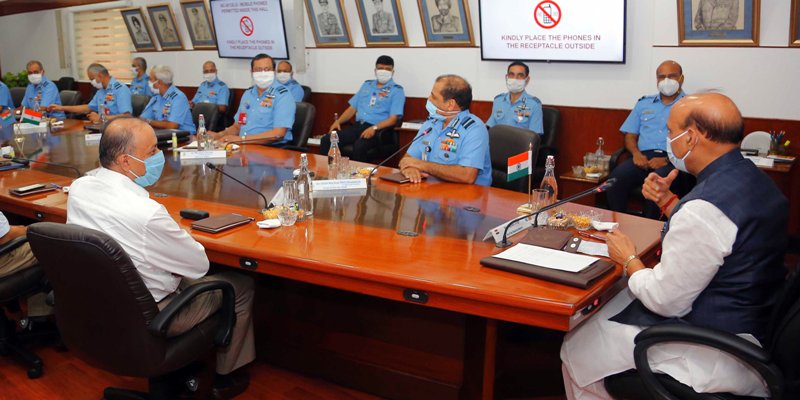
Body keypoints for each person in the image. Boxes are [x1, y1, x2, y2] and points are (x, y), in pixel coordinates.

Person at [561, 93, 788, 399]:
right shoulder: (755, 180)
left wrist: (628, 258)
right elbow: (723, 233)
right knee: (611, 305)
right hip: (752, 318)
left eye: (670, 132)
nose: (669, 139)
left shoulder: (704, 209)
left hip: (715, 350)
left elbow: (665, 301)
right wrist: (669, 203)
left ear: (691, 137)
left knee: (577, 346)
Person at [66, 118, 254, 399]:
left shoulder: (80, 188)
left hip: (99, 304)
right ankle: (227, 377)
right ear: (125, 161)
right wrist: (175, 232)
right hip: (152, 315)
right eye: (152, 151)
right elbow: (199, 266)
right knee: (240, 285)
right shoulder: (146, 213)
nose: (160, 157)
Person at [606, 60, 687, 219]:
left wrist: (666, 159)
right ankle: (617, 224)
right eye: (661, 77)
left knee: (656, 186)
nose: (666, 81)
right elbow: (630, 134)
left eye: (672, 76)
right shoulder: (644, 103)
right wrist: (636, 154)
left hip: (672, 160)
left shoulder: (690, 106)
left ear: (681, 79)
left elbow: (692, 142)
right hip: (642, 157)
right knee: (615, 180)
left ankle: (651, 232)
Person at [399, 75, 492, 186]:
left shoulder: (474, 129)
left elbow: (467, 175)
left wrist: (423, 165)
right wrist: (409, 169)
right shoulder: (431, 123)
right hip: (430, 192)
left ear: (450, 104)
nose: (428, 99)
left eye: (433, 96)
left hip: (465, 198)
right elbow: (407, 159)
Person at [319, 55, 404, 162]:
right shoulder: (367, 85)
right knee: (327, 140)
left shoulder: (397, 91)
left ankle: (360, 178)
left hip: (380, 131)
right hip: (358, 126)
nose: (384, 71)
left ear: (393, 72)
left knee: (360, 146)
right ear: (375, 70)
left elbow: (393, 119)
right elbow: (352, 109)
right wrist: (338, 121)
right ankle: (328, 173)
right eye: (380, 68)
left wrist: (374, 128)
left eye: (387, 69)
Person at [210, 53, 294, 145]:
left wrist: (241, 140)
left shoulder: (283, 95)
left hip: (270, 149)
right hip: (244, 146)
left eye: (267, 69)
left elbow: (278, 134)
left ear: (274, 71)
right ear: (252, 72)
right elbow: (238, 126)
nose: (263, 73)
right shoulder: (248, 94)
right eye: (258, 70)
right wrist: (219, 135)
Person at [48, 63, 132, 123]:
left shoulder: (120, 89)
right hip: (102, 127)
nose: (91, 82)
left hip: (119, 130)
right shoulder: (101, 91)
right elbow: (88, 107)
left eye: (92, 79)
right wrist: (61, 108)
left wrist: (101, 118)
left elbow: (127, 116)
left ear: (100, 76)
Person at [486, 61, 543, 134]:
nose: (515, 79)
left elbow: (534, 137)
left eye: (520, 75)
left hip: (520, 144)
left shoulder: (534, 104)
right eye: (511, 74)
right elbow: (490, 127)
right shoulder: (498, 100)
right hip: (497, 143)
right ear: (506, 77)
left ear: (527, 79)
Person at [139, 65, 195, 133]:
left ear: (159, 82)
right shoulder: (156, 97)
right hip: (163, 135)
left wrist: (149, 121)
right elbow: (142, 119)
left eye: (150, 79)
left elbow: (172, 126)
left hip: (184, 138)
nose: (148, 82)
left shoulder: (178, 98)